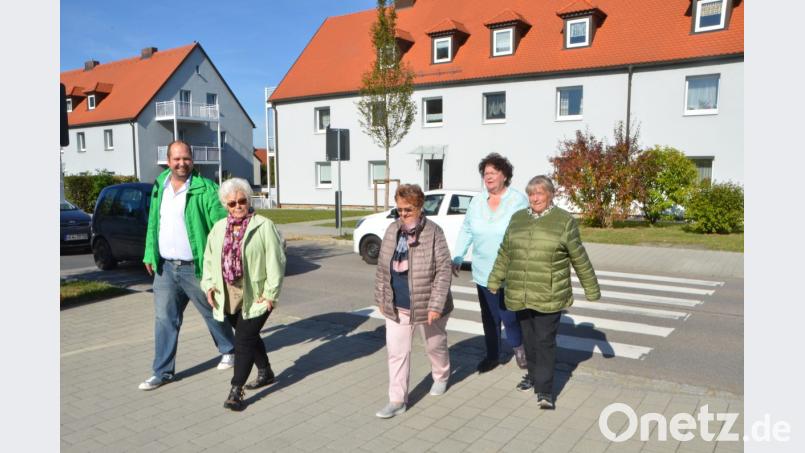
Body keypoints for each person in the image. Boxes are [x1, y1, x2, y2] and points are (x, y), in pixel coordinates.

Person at [487, 175, 600, 410]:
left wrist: (591, 288)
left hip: (549, 293)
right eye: (531, 194)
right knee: (528, 340)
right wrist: (495, 278)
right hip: (520, 292)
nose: (535, 198)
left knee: (544, 341)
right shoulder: (518, 218)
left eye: (539, 193)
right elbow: (505, 251)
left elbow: (579, 256)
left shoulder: (564, 221)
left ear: (550, 195)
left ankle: (545, 390)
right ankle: (533, 374)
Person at [139, 140, 236, 391]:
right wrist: (149, 253)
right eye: (177, 159)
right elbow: (154, 222)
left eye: (186, 159)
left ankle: (230, 349)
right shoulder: (160, 185)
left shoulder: (206, 188)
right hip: (165, 268)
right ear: (168, 161)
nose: (182, 163)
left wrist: (222, 262)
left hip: (195, 267)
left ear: (192, 160)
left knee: (212, 311)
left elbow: (221, 228)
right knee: (164, 320)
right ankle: (162, 372)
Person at [201, 178, 286, 411]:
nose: (238, 206)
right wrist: (208, 286)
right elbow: (208, 260)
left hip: (256, 294)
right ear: (225, 205)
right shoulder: (218, 228)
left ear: (249, 200)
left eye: (242, 201)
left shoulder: (263, 226)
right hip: (227, 293)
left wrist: (270, 294)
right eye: (232, 203)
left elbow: (276, 261)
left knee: (243, 340)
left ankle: (235, 390)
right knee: (248, 335)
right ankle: (265, 371)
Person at [374, 184, 454, 419]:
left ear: (420, 207)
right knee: (396, 352)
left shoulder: (433, 232)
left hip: (427, 303)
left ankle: (441, 375)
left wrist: (436, 305)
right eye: (399, 209)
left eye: (408, 209)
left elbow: (443, 270)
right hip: (397, 303)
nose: (403, 214)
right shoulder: (393, 230)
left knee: (434, 345)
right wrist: (381, 297)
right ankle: (397, 401)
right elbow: (382, 268)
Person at [451, 153, 529, 379]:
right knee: (489, 316)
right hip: (483, 270)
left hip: (509, 271)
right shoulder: (477, 201)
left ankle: (520, 349)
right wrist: (458, 256)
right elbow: (467, 229)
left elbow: (527, 232)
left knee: (509, 317)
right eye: (485, 173)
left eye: (493, 172)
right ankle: (493, 355)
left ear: (505, 175)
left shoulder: (517, 200)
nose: (488, 177)